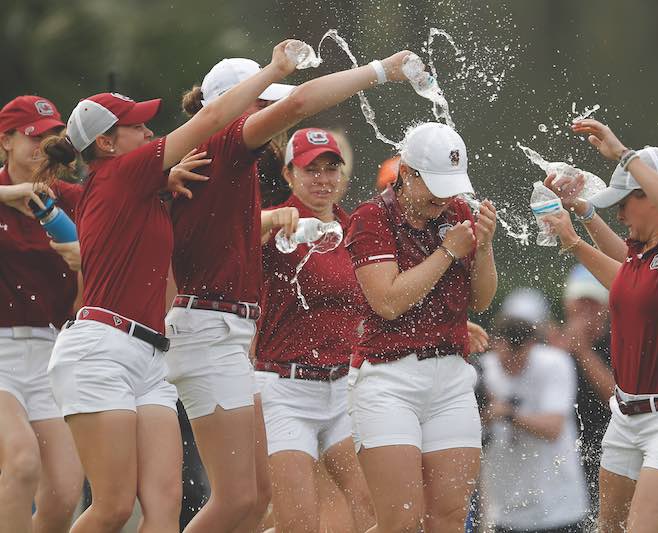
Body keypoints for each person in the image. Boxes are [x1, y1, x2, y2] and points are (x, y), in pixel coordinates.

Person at [36, 40, 299, 533]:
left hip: (151, 355)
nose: (148, 129)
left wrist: (167, 180)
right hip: (100, 351)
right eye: (135, 124)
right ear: (107, 144)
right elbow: (210, 118)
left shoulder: (141, 182)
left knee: (164, 508)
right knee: (113, 507)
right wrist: (274, 70)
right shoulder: (124, 171)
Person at [167, 50, 411, 533]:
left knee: (274, 504)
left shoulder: (230, 167)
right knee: (255, 507)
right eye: (262, 106)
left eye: (331, 169)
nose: (270, 119)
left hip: (314, 374)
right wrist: (379, 72)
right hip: (256, 363)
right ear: (233, 106)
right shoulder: (227, 150)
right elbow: (298, 104)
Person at [543, 120, 658, 533]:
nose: (621, 212)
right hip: (626, 417)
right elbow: (625, 282)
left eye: (626, 202)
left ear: (653, 198)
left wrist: (623, 153)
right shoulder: (644, 250)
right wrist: (581, 218)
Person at [345, 122, 498, 532]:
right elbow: (388, 301)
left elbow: (481, 300)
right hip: (388, 380)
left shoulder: (459, 212)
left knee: (448, 518)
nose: (444, 198)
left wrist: (484, 249)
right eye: (434, 185)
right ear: (407, 173)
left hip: (451, 377)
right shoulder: (370, 217)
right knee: (401, 522)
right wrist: (449, 251)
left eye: (450, 187)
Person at [255, 128, 375, 533]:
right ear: (289, 174)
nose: (323, 179)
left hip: (343, 389)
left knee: (371, 509)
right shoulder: (277, 220)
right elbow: (229, 236)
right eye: (311, 170)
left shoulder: (355, 227)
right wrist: (270, 220)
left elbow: (382, 291)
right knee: (298, 525)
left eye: (331, 169)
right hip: (284, 390)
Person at [0, 95, 84, 533]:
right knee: (21, 461)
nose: (42, 146)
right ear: (6, 142)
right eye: (33, 137)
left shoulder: (71, 197)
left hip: (52, 353)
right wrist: (8, 192)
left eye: (51, 137)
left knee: (65, 491)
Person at [480, 298, 589, 533]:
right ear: (495, 345)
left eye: (517, 355)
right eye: (504, 355)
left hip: (559, 506)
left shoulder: (555, 364)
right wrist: (484, 417)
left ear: (532, 345)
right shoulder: (483, 371)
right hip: (505, 510)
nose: (510, 363)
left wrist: (507, 414)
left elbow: (552, 428)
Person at [550, 265, 613, 515]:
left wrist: (583, 351)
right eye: (580, 302)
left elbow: (617, 399)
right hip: (564, 461)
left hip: (608, 455)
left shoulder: (621, 341)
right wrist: (561, 352)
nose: (587, 309)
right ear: (568, 304)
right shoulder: (552, 345)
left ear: (607, 307)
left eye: (594, 302)